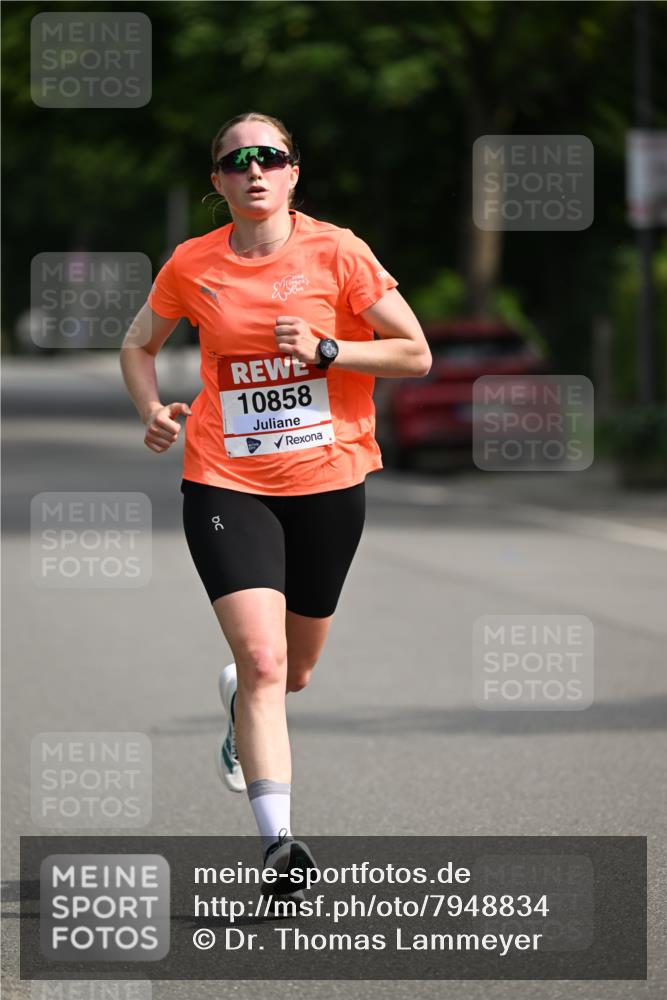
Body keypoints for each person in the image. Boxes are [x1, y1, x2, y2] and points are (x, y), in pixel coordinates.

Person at [120, 111, 431, 894]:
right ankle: (279, 846)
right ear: (217, 181)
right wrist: (150, 408)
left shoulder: (338, 250)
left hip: (328, 482)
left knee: (292, 672)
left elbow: (414, 353)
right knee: (261, 659)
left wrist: (330, 349)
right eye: (236, 160)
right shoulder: (192, 263)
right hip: (226, 476)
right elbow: (137, 345)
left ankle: (239, 709)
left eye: (271, 157)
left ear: (293, 172)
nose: (254, 169)